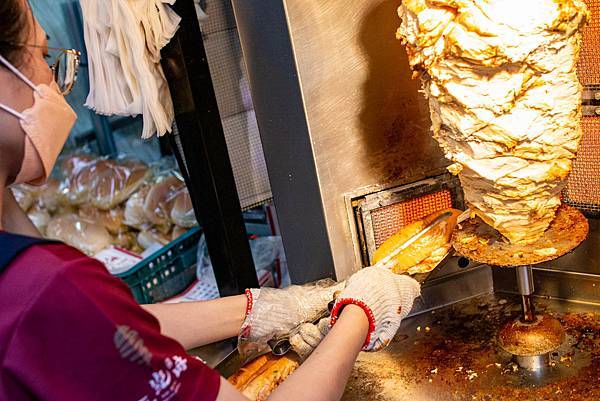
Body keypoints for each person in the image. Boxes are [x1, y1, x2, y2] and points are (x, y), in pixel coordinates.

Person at [0, 2, 421, 400]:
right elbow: (73, 313)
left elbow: (95, 328)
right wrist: (360, 313)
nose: (55, 82)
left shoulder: (35, 282)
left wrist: (260, 310)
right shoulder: (51, 287)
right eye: (42, 56)